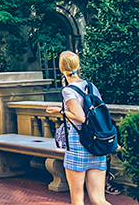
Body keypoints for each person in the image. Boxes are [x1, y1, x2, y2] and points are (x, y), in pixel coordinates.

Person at [45, 51, 111, 205]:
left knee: (77, 199)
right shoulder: (91, 86)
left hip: (78, 144)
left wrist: (60, 111)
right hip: (97, 144)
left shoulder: (68, 90)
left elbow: (81, 117)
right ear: (78, 66)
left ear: (61, 69)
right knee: (99, 199)